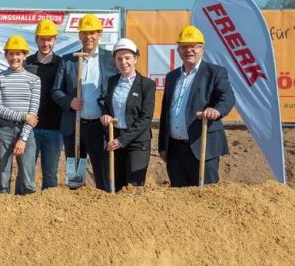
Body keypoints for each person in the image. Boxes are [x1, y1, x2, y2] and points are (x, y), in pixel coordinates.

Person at [158, 26, 235, 186]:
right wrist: (163, 146)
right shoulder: (172, 76)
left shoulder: (215, 72)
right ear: (178, 50)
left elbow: (227, 97)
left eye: (194, 46)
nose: (189, 50)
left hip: (202, 146)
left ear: (202, 49)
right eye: (184, 46)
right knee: (179, 195)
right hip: (175, 150)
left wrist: (216, 110)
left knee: (206, 195)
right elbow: (166, 113)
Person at [51, 13, 117, 190]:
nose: (89, 37)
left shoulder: (110, 59)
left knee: (102, 175)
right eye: (84, 33)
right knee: (75, 178)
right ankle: (76, 203)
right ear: (79, 35)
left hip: (98, 127)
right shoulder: (68, 60)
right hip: (74, 127)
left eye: (92, 33)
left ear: (99, 34)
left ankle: (104, 201)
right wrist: (69, 101)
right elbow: (55, 91)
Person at [99, 38, 156, 191]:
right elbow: (106, 105)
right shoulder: (112, 81)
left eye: (127, 58)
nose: (123, 62)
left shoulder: (147, 85)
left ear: (135, 59)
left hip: (137, 143)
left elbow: (145, 118)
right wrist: (106, 115)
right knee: (116, 187)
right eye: (119, 59)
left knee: (133, 188)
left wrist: (122, 140)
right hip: (114, 137)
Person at [0, 35, 41, 195]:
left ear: (25, 55)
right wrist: (23, 116)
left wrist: (23, 138)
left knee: (28, 180)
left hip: (26, 131)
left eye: (18, 53)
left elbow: (33, 113)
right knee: (2, 179)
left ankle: (27, 209)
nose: (14, 58)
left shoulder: (34, 80)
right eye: (11, 54)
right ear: (6, 55)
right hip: (3, 130)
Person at [24, 19, 64, 190]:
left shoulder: (62, 64)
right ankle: (21, 203)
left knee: (50, 174)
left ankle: (50, 205)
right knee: (26, 173)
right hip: (29, 128)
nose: (46, 43)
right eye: (42, 39)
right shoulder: (27, 63)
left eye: (49, 39)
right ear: (36, 39)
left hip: (54, 129)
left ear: (55, 40)